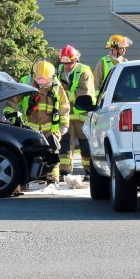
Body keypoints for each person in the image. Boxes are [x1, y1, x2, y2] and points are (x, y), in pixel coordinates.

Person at [4, 60, 69, 185]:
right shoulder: (25, 83)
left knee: (52, 151)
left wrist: (64, 125)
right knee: (28, 152)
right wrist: (9, 113)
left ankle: (52, 177)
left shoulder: (56, 86)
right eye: (40, 80)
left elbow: (64, 106)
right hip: (29, 126)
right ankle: (27, 178)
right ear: (34, 76)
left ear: (52, 77)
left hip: (51, 128)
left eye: (46, 80)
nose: (43, 83)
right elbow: (13, 101)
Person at [57, 44, 95, 184]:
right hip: (66, 115)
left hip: (82, 116)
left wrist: (65, 94)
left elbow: (84, 93)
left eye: (70, 63)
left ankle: (90, 171)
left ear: (76, 60)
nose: (67, 66)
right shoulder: (59, 70)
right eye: (64, 63)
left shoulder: (84, 71)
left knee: (86, 146)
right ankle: (65, 172)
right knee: (65, 144)